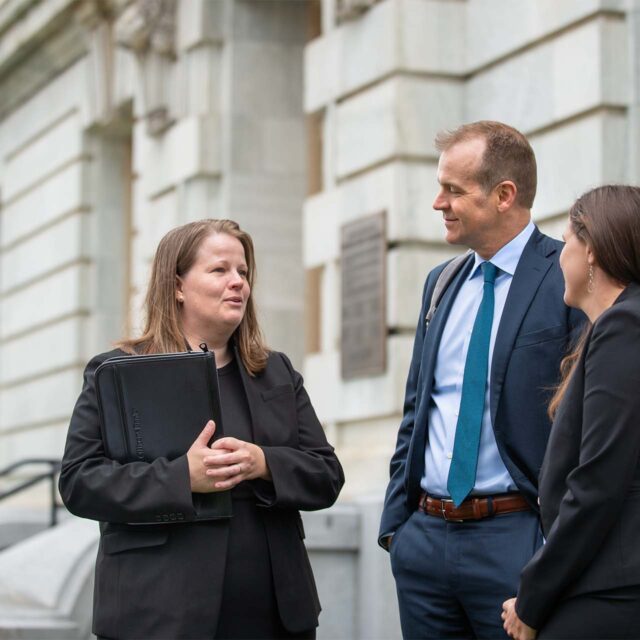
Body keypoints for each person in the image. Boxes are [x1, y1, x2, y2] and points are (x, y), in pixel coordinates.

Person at [59, 219, 344, 640]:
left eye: (243, 272)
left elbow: (327, 475)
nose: (238, 283)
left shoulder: (277, 372)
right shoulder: (117, 372)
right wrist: (181, 477)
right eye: (220, 270)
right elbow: (79, 482)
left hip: (272, 617)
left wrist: (264, 462)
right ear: (176, 285)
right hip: (157, 615)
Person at [379, 121, 584, 639]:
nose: (437, 203)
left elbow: (585, 419)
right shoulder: (440, 283)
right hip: (424, 544)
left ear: (504, 195)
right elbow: (417, 410)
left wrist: (549, 542)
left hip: (516, 541)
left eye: (453, 190)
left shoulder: (565, 276)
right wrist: (397, 530)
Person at [502, 185, 640, 640]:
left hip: (610, 590)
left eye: (568, 241)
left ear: (593, 252)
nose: (561, 255)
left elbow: (598, 479)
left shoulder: (624, 327)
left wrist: (533, 597)